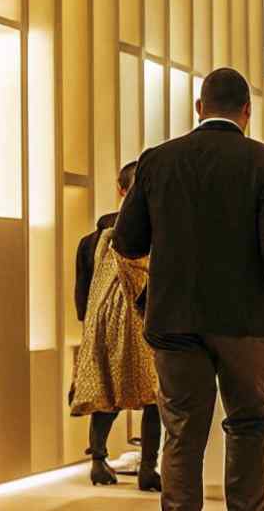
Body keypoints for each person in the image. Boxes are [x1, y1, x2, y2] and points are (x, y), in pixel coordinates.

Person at [112, 67, 264, 511]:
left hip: (173, 318)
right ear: (247, 111)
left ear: (198, 108)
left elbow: (127, 241)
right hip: (243, 320)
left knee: (181, 429)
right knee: (249, 423)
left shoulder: (157, 159)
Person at [71, 161, 161, 491]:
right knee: (155, 396)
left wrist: (88, 325)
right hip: (146, 320)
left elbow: (82, 291)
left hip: (101, 326)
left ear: (120, 190)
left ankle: (98, 460)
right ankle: (148, 469)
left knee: (104, 390)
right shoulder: (158, 233)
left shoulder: (91, 239)